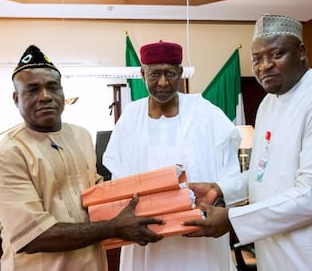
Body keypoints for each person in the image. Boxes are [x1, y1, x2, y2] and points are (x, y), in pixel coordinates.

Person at [184, 14, 312, 270]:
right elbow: (263, 173)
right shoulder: (268, 103)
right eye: (257, 59)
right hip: (272, 246)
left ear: (301, 52)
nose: (264, 66)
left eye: (276, 55)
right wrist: (221, 189)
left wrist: (233, 219)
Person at [0, 45, 164, 271]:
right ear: (16, 98)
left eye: (53, 87)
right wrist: (114, 227)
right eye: (32, 89)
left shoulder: (80, 135)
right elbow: (34, 237)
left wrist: (154, 197)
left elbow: (95, 192)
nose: (45, 97)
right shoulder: (7, 154)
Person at [103, 40, 246, 271]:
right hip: (147, 239)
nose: (163, 82)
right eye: (155, 74)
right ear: (142, 73)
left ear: (180, 73)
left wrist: (214, 198)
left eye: (170, 73)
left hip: (198, 240)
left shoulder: (206, 113)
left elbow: (232, 179)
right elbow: (117, 183)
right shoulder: (130, 118)